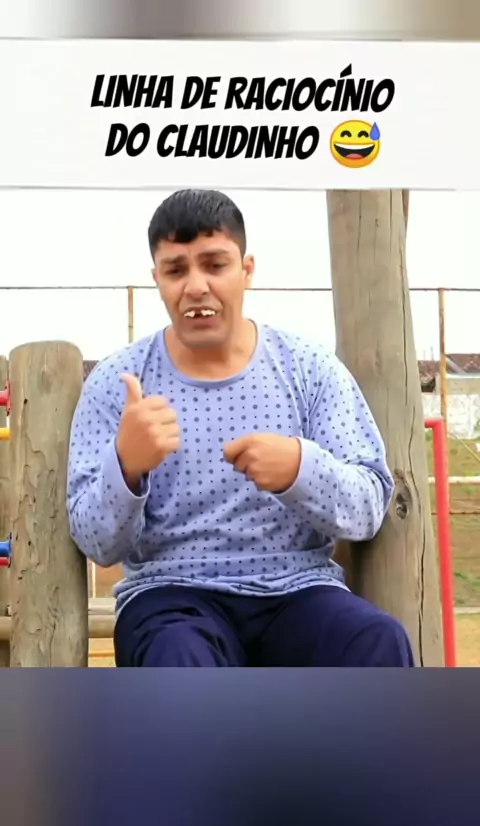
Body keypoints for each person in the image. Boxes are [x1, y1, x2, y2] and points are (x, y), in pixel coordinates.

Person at [67, 188, 414, 668]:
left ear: (247, 270)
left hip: (297, 589)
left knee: (376, 640)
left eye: (215, 264)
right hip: (171, 595)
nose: (196, 286)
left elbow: (370, 505)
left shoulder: (309, 369)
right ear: (157, 279)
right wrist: (126, 467)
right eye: (176, 270)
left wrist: (301, 469)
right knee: (178, 656)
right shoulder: (117, 382)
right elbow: (96, 543)